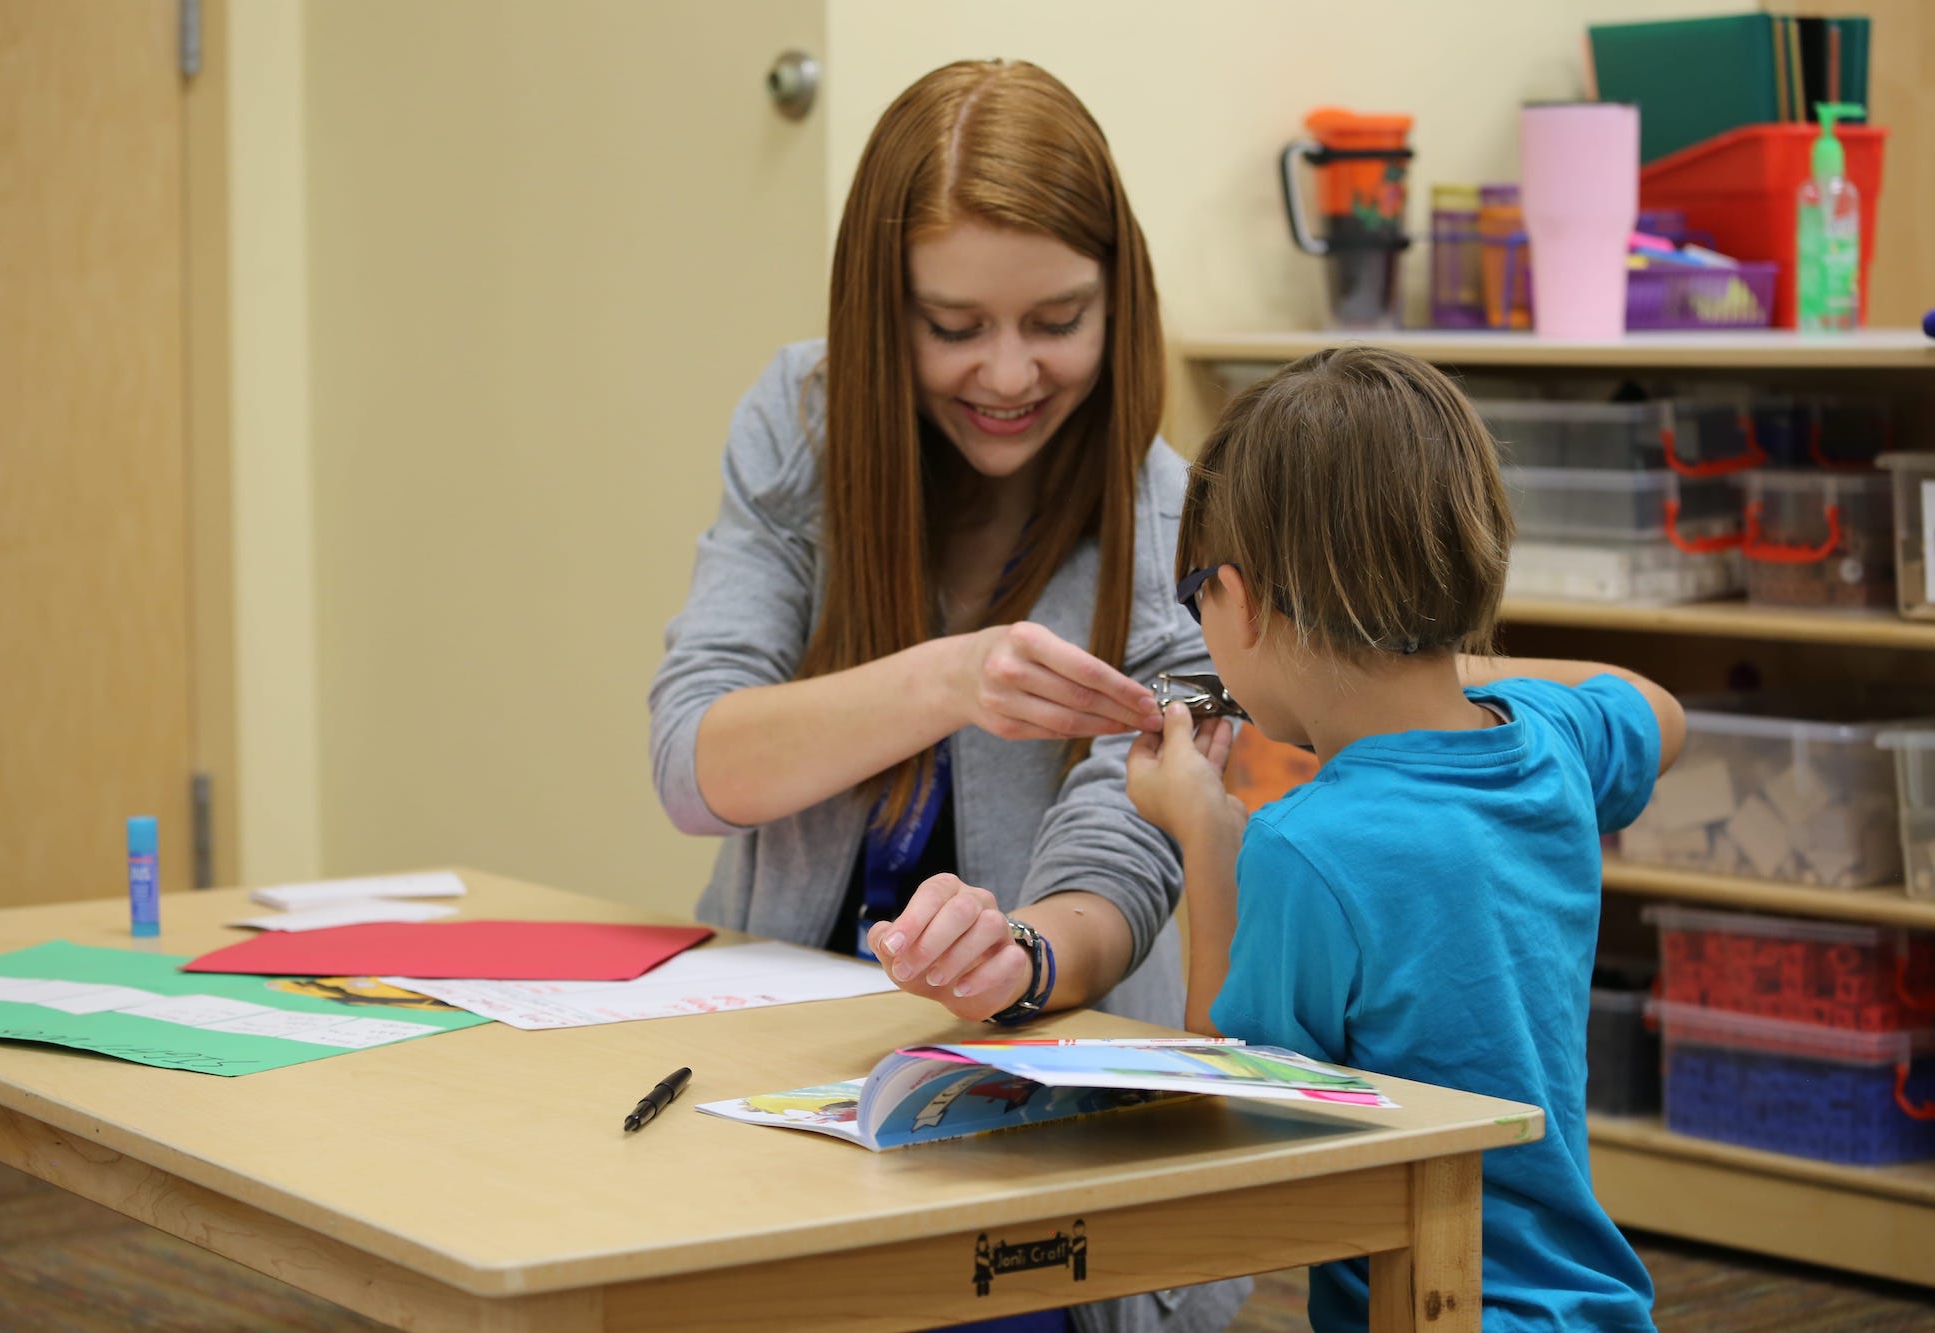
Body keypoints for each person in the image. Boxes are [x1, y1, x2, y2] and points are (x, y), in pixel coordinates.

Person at [648, 59, 1250, 1333]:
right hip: (768, 1086)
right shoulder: (800, 424)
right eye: (954, 325)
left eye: (1056, 319)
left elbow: (1123, 860)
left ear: (1117, 299)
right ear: (884, 314)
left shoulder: (1171, 520)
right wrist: (949, 675)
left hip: (1035, 1139)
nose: (1008, 372)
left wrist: (1018, 956)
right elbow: (697, 762)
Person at [1125, 346, 1685, 1333]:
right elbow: (1657, 710)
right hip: (1588, 1302)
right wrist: (1417, 655)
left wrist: (1206, 838)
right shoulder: (1545, 740)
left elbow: (1236, 1101)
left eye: (1194, 597)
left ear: (1241, 601)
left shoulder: (1303, 847)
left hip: (1432, 1307)